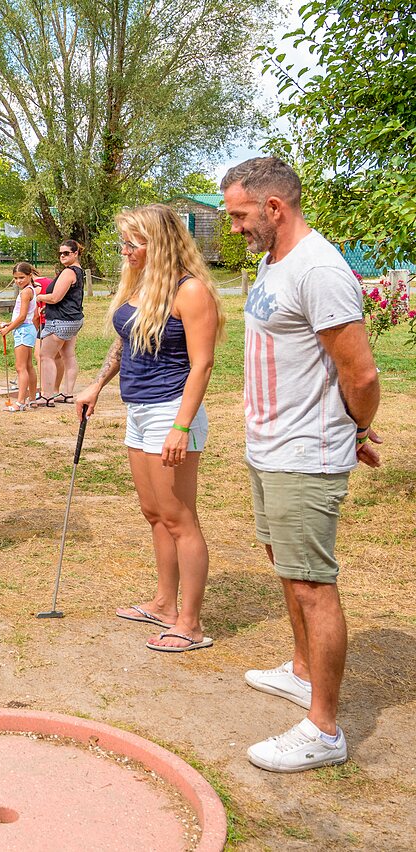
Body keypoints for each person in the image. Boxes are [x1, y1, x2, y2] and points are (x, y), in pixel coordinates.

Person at [221, 157, 381, 772]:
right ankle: (302, 671)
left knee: (313, 583)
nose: (234, 227)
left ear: (274, 207)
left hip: (303, 453)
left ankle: (324, 729)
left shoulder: (319, 270)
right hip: (269, 446)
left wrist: (354, 428)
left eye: (240, 215)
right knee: (287, 566)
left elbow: (360, 373)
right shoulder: (273, 262)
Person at [73, 204, 224, 653]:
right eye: (124, 242)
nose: (125, 251)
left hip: (171, 410)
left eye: (133, 243)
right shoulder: (142, 285)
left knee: (179, 518)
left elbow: (203, 364)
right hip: (138, 410)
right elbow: (125, 341)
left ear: (158, 243)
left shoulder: (190, 291)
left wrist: (181, 427)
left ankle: (190, 624)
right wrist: (96, 384)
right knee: (154, 512)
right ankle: (163, 604)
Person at [36, 239, 86, 404]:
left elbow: (55, 297)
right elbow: (69, 297)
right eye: (60, 253)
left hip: (61, 321)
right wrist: (48, 307)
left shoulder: (68, 272)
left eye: (66, 253)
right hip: (74, 319)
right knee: (68, 355)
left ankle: (47, 395)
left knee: (45, 356)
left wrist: (40, 297)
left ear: (75, 253)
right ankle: (67, 394)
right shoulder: (79, 271)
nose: (62, 256)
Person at [0, 262, 41, 411]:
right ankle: (32, 399)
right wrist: (10, 323)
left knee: (20, 367)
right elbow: (25, 316)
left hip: (23, 331)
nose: (18, 281)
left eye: (21, 277)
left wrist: (8, 329)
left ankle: (20, 402)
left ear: (30, 275)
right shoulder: (30, 290)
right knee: (28, 366)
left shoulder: (25, 293)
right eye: (16, 278)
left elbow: (22, 317)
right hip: (27, 329)